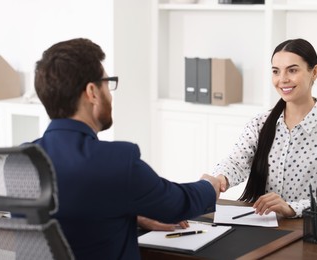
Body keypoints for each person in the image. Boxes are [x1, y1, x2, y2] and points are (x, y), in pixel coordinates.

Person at [32, 38, 220, 260]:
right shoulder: (116, 162)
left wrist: (133, 214)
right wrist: (210, 185)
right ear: (92, 92)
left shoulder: (21, 161)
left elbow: (68, 215)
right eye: (107, 84)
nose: (110, 94)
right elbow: (177, 204)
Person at [213, 38, 317, 218]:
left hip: (308, 230)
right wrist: (219, 179)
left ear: (314, 72)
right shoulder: (260, 123)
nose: (283, 79)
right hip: (262, 224)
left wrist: (291, 207)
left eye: (292, 70)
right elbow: (237, 162)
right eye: (276, 71)